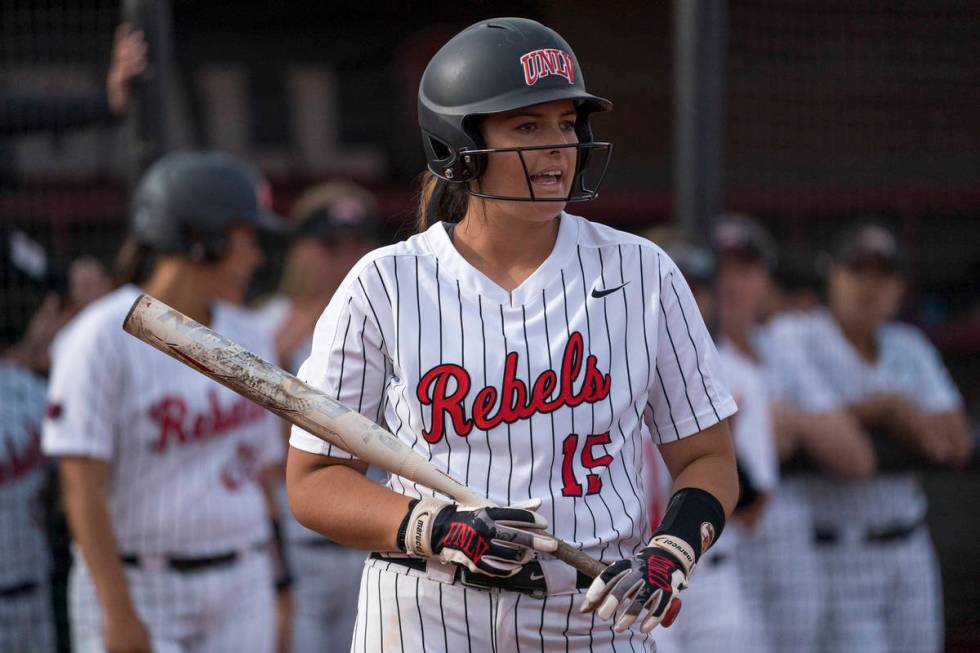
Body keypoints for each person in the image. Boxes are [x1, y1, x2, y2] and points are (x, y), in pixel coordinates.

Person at [286, 18, 738, 653]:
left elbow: (707, 458)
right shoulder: (385, 282)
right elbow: (314, 480)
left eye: (565, 124)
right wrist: (435, 526)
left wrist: (672, 549)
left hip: (590, 613)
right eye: (527, 127)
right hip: (428, 608)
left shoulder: (642, 271)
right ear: (458, 146)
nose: (558, 146)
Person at [42, 151, 285, 653]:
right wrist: (118, 612)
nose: (256, 257)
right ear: (202, 240)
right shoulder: (100, 337)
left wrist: (282, 583)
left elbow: (263, 476)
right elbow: (79, 486)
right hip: (140, 582)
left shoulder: (251, 335)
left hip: (243, 575)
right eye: (245, 240)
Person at [776, 223, 971, 653]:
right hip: (837, 548)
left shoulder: (909, 345)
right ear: (832, 275)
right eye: (857, 270)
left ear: (900, 287)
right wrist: (889, 411)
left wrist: (893, 416)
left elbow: (956, 443)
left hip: (909, 545)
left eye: (884, 274)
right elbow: (819, 434)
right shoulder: (798, 337)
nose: (870, 285)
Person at [254, 180, 384, 653]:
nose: (344, 258)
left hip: (382, 542)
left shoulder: (396, 323)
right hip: (301, 550)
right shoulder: (266, 326)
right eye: (331, 246)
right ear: (301, 250)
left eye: (357, 243)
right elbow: (251, 449)